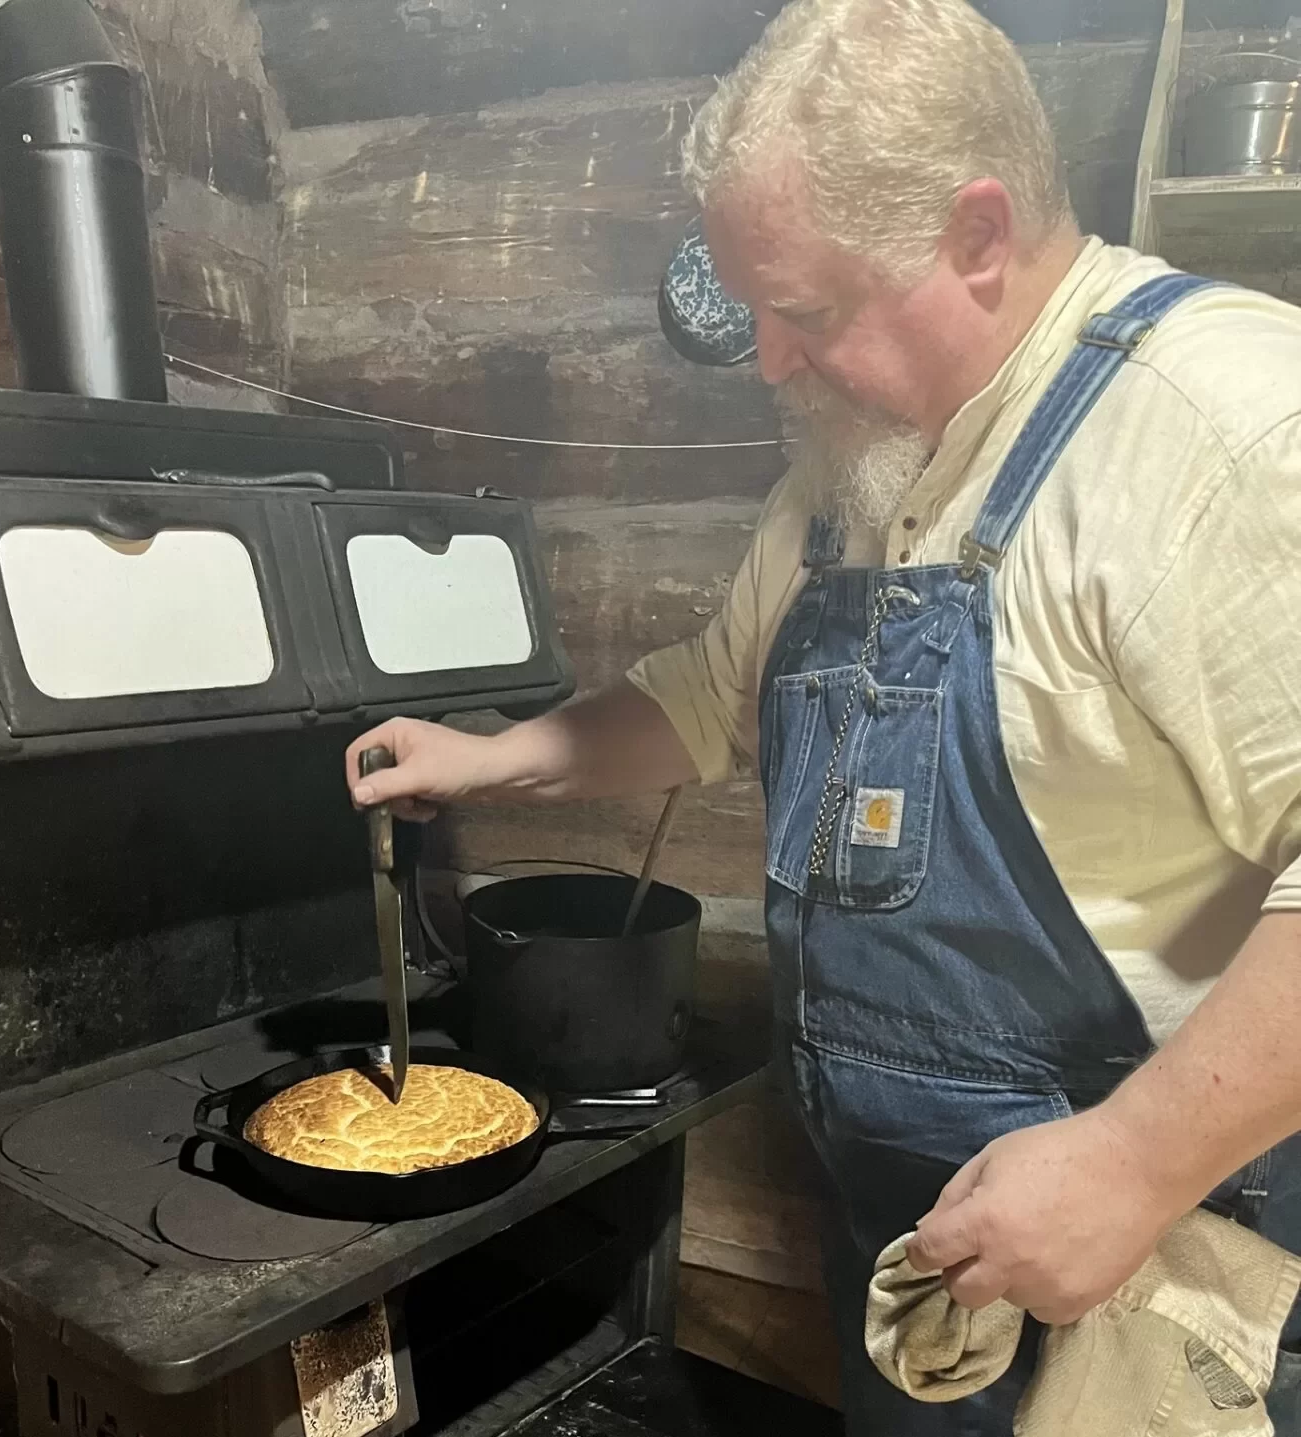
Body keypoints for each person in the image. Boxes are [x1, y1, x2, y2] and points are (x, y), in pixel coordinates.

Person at [346, 0, 1301, 1429]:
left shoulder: (1221, 430)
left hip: (1149, 1282)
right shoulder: (856, 474)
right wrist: (495, 759)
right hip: (913, 1261)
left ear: (977, 235)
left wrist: (1133, 1164)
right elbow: (707, 698)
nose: (772, 362)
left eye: (806, 311)